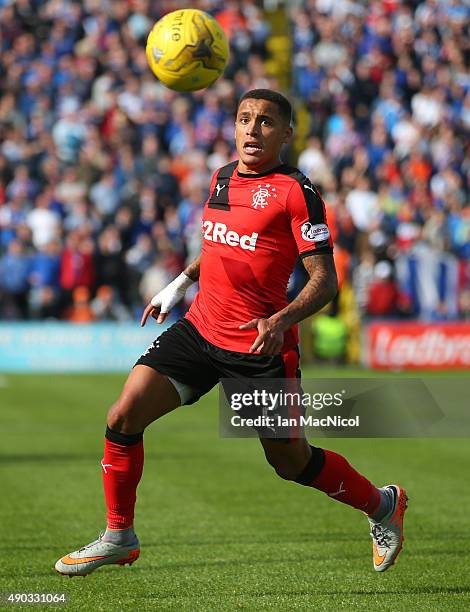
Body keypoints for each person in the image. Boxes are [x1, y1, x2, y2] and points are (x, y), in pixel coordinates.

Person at [55, 89, 407, 577]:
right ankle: (119, 535)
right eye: (244, 119)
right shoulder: (222, 177)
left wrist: (281, 319)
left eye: (265, 122)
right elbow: (220, 245)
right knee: (123, 414)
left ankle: (383, 504)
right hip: (200, 329)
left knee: (290, 462)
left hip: (258, 347)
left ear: (286, 133)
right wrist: (177, 285)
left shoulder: (295, 192)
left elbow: (326, 280)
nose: (252, 129)